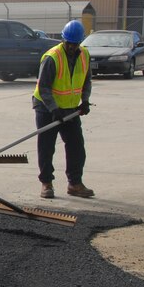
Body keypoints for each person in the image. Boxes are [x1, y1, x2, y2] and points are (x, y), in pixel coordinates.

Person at [33, 20, 93, 199]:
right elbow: (43, 88)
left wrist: (85, 101)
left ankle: (75, 183)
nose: (72, 47)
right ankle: (46, 183)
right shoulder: (52, 57)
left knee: (76, 147)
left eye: (75, 44)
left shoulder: (85, 55)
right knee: (46, 146)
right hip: (46, 107)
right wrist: (54, 109)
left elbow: (87, 80)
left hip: (71, 108)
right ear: (63, 40)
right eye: (69, 43)